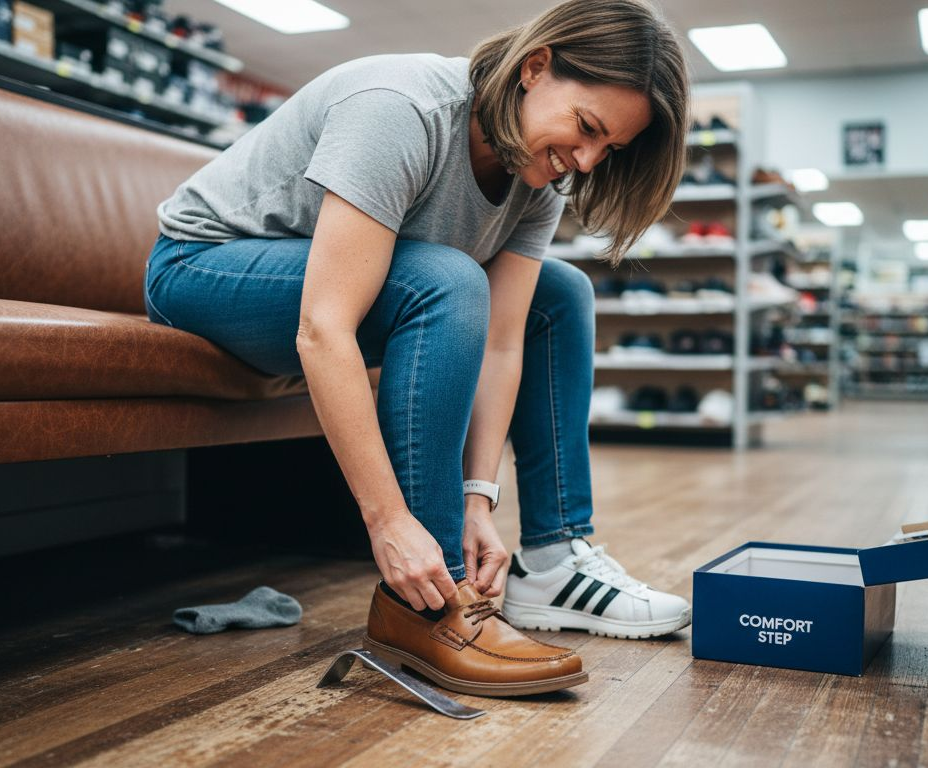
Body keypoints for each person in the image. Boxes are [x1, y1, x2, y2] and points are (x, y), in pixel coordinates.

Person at [145, 0, 691, 696]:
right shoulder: (400, 107)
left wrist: (476, 501)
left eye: (606, 149)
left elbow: (502, 342)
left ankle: (555, 558)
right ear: (535, 67)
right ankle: (431, 606)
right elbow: (323, 329)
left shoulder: (540, 174)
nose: (583, 161)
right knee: (448, 279)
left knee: (561, 293)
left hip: (324, 284)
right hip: (199, 268)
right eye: (586, 127)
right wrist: (390, 522)